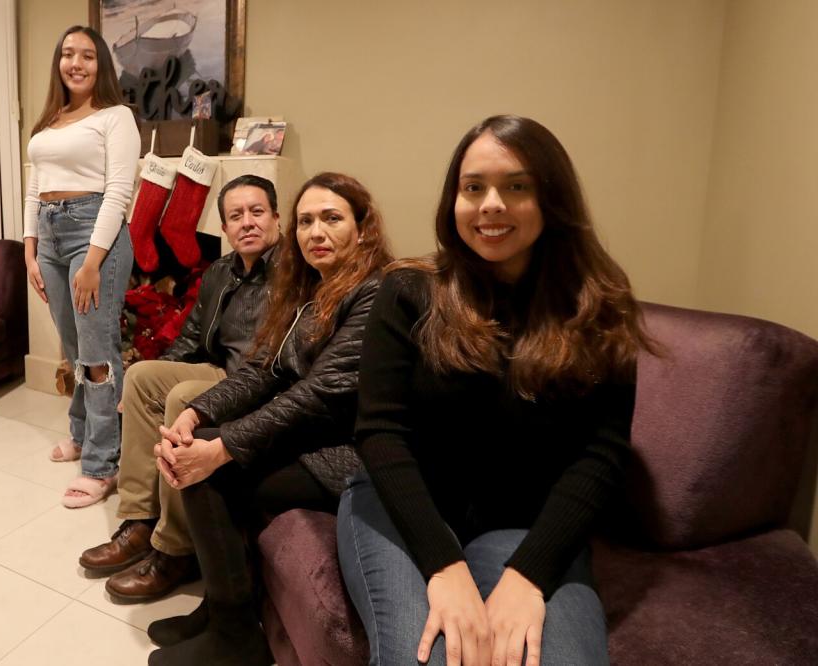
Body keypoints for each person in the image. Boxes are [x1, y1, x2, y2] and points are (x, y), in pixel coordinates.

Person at [337, 115, 656, 666]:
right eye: (473, 187)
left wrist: (530, 574)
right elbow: (379, 432)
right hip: (402, 507)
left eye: (516, 186)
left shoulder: (597, 303)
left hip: (523, 523)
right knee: (426, 657)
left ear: (551, 198)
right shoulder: (408, 289)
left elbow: (601, 455)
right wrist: (443, 567)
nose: (490, 204)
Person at [146, 173, 394, 666]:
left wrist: (220, 449)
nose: (315, 232)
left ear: (363, 228)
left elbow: (321, 393)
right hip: (316, 436)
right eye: (306, 221)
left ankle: (236, 636)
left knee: (214, 475)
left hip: (355, 453)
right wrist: (198, 412)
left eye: (331, 219)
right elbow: (263, 368)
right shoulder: (310, 292)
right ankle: (220, 611)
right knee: (201, 451)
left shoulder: (377, 291)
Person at [78, 174, 281, 603]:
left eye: (257, 212)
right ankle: (139, 518)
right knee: (140, 376)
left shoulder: (294, 274)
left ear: (277, 219)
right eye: (235, 216)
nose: (247, 223)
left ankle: (176, 548)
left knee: (181, 396)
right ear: (223, 229)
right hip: (225, 373)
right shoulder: (220, 272)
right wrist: (141, 388)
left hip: (264, 384)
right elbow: (190, 339)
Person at [23, 25, 140, 508]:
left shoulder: (116, 117)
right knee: (73, 347)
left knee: (96, 353)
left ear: (101, 65)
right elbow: (35, 186)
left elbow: (118, 191)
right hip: (49, 238)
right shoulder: (49, 121)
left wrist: (92, 261)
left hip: (95, 236)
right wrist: (29, 248)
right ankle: (81, 431)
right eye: (68, 54)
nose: (76, 63)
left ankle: (101, 463)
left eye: (87, 56)